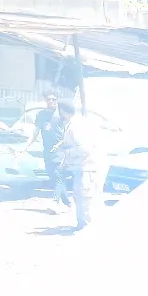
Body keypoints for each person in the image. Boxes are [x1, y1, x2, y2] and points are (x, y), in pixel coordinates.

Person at [53, 101, 104, 232]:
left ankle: (86, 229)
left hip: (86, 168)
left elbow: (83, 149)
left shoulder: (74, 127)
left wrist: (66, 151)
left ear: (63, 111)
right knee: (80, 198)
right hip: (83, 168)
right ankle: (83, 226)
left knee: (84, 199)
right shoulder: (76, 124)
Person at [27, 91, 68, 209]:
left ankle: (55, 201)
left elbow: (68, 132)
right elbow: (35, 132)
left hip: (61, 150)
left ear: (57, 100)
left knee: (58, 174)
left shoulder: (61, 114)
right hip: (47, 150)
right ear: (46, 101)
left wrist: (61, 143)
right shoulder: (41, 115)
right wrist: (27, 145)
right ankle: (68, 202)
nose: (52, 101)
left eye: (54, 99)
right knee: (53, 176)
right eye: (49, 99)